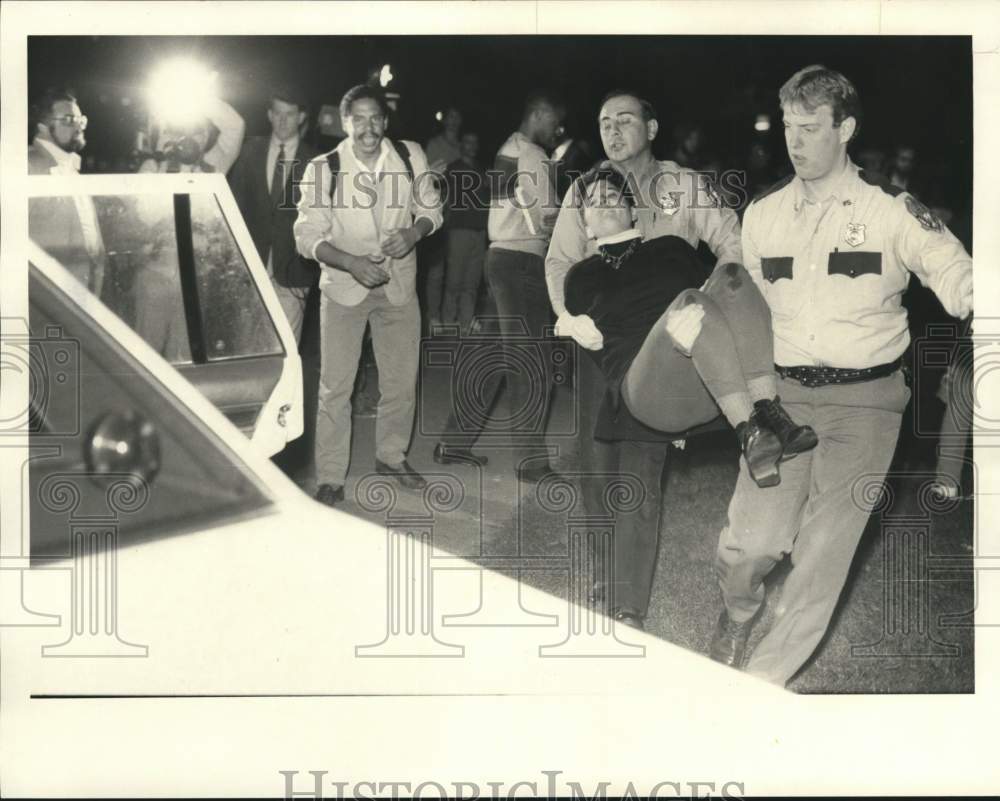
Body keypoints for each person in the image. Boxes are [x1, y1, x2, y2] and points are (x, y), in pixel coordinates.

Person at [709, 65, 973, 686]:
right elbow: (736, 304)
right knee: (750, 547)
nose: (794, 142)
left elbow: (950, 266)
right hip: (780, 400)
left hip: (868, 405)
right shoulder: (763, 214)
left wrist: (973, 294)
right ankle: (739, 611)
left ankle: (759, 688)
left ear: (845, 128)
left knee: (822, 558)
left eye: (810, 128)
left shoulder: (892, 210)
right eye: (788, 128)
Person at [545, 89, 744, 629]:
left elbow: (731, 243)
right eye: (604, 121)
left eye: (625, 120)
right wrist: (570, 317)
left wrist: (706, 310)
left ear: (651, 129)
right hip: (598, 345)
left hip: (660, 354)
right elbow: (560, 260)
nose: (613, 130)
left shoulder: (683, 185)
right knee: (595, 471)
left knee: (640, 471)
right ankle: (602, 581)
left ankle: (629, 605)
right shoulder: (586, 187)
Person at [563, 168, 816, 484]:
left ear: (632, 213)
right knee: (688, 302)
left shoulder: (672, 247)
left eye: (613, 196)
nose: (606, 202)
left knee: (732, 275)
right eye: (595, 201)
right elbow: (597, 350)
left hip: (703, 382)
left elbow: (722, 302)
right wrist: (567, 323)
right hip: (646, 391)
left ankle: (767, 412)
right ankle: (749, 430)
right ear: (585, 226)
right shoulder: (580, 278)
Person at [294, 84, 442, 506]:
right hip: (343, 290)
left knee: (400, 382)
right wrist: (349, 262)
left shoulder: (411, 156)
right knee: (335, 388)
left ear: (385, 121)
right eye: (357, 118)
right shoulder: (324, 168)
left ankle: (391, 457)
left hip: (399, 287)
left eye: (374, 117)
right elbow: (306, 235)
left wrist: (415, 232)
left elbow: (432, 210)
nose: (367, 127)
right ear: (345, 123)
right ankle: (330, 476)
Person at [431, 91, 565, 478]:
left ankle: (452, 444)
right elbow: (548, 219)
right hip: (522, 263)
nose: (557, 129)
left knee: (492, 362)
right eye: (553, 119)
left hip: (500, 259)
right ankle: (532, 462)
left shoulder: (508, 149)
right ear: (537, 113)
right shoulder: (532, 154)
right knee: (532, 363)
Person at [229, 86, 319, 341]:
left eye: (289, 114)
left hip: (293, 271)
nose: (282, 120)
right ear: (269, 115)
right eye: (277, 113)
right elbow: (234, 205)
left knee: (286, 348)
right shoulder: (250, 152)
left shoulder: (315, 161)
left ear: (301, 117)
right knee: (247, 343)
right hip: (251, 265)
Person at [27, 87, 106, 297]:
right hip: (47, 304)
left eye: (81, 120)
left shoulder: (72, 169)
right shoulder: (27, 166)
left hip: (82, 295)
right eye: (69, 119)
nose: (79, 126)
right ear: (43, 126)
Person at [441, 131, 490, 333]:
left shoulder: (481, 170)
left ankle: (465, 323)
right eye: (467, 141)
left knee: (472, 282)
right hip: (458, 231)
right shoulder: (452, 169)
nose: (471, 146)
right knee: (454, 281)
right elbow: (441, 196)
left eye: (474, 142)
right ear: (461, 144)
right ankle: (447, 322)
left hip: (479, 231)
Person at [423, 106, 463, 328]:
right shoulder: (434, 145)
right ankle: (433, 315)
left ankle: (452, 315)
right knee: (436, 268)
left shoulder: (463, 146)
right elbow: (427, 178)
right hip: (439, 209)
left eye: (458, 117)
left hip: (460, 213)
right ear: (444, 120)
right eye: (451, 116)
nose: (454, 121)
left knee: (455, 267)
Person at [139, 96, 245, 175]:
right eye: (176, 131)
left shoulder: (212, 163)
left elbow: (235, 126)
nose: (186, 139)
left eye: (196, 131)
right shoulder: (153, 166)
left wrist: (198, 99)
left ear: (205, 138)